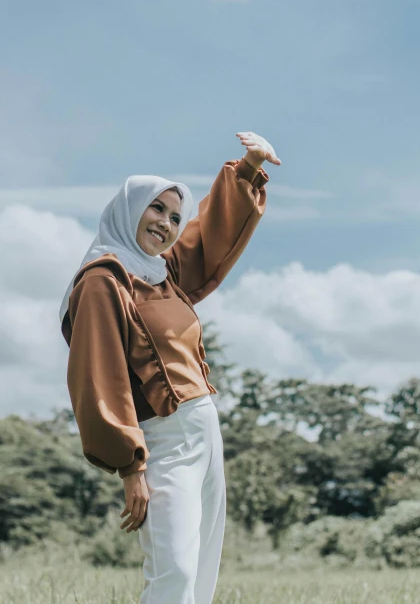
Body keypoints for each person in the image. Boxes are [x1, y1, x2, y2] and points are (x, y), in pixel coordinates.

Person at [59, 131, 281, 604]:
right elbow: (99, 376)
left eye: (174, 216)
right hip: (161, 441)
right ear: (129, 208)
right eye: (156, 209)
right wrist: (130, 466)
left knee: (200, 574)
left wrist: (246, 169)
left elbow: (208, 238)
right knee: (174, 573)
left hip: (205, 430)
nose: (166, 223)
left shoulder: (163, 274)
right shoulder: (103, 280)